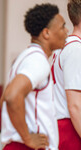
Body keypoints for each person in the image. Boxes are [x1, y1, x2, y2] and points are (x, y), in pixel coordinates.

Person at [0, 3, 68, 150]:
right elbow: (12, 96)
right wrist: (28, 138)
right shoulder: (37, 60)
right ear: (46, 33)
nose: (66, 31)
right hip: (27, 146)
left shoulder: (25, 57)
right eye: (62, 27)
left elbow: (3, 100)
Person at [51, 0, 81, 149]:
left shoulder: (65, 45)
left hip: (63, 126)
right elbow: (75, 106)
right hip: (70, 128)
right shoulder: (76, 50)